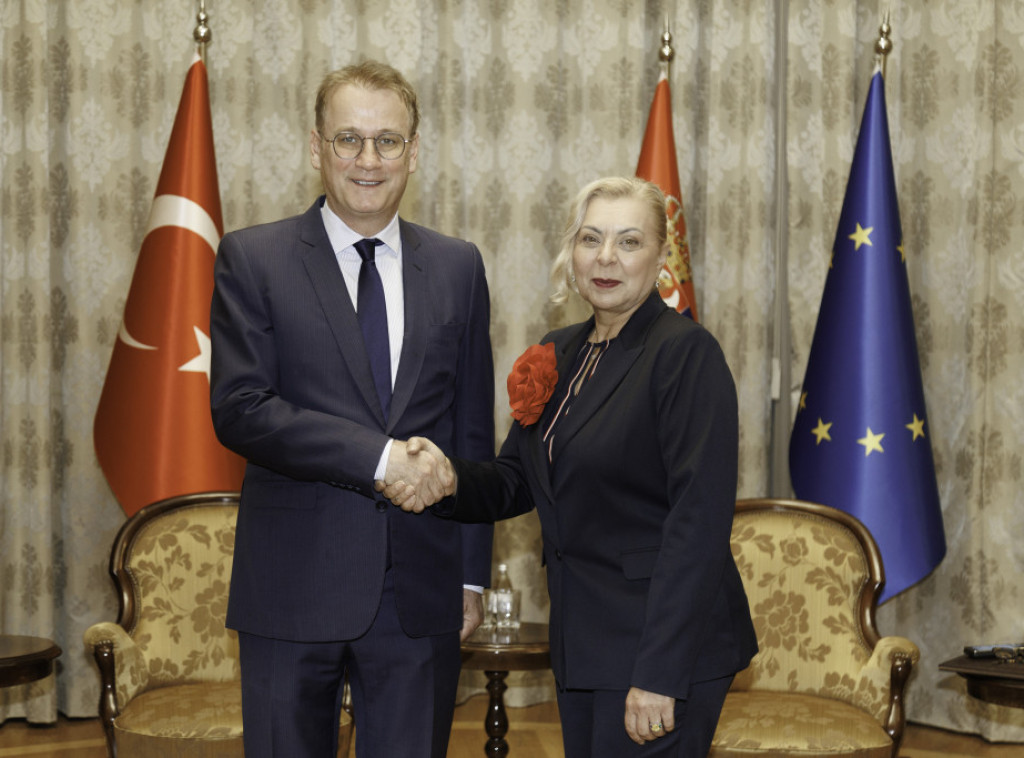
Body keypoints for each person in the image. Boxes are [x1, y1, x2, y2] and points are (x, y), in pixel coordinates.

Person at [381, 177, 758, 757]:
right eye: (591, 239)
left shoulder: (685, 354)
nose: (606, 257)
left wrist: (660, 673)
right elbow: (516, 480)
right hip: (583, 641)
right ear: (571, 252)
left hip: (659, 648)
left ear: (661, 258)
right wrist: (448, 477)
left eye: (629, 242)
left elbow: (698, 527)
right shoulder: (560, 351)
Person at [209, 60, 495, 758]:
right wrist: (380, 458)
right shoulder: (254, 257)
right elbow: (242, 409)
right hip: (292, 584)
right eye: (349, 140)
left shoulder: (458, 265)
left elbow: (471, 429)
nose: (369, 160)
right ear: (317, 147)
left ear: (413, 152)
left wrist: (469, 573)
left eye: (387, 141)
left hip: (419, 589)